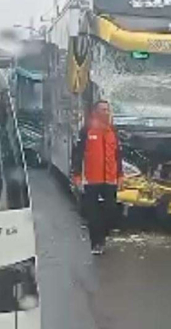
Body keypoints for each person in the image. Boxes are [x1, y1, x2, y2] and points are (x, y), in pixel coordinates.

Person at [71, 100, 124, 256]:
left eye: (107, 109)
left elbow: (118, 155)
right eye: (102, 109)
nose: (105, 112)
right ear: (95, 112)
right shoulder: (86, 130)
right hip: (91, 179)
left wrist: (120, 175)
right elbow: (77, 154)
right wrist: (77, 175)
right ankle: (96, 242)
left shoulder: (113, 131)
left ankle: (104, 234)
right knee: (92, 214)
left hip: (110, 179)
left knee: (111, 211)